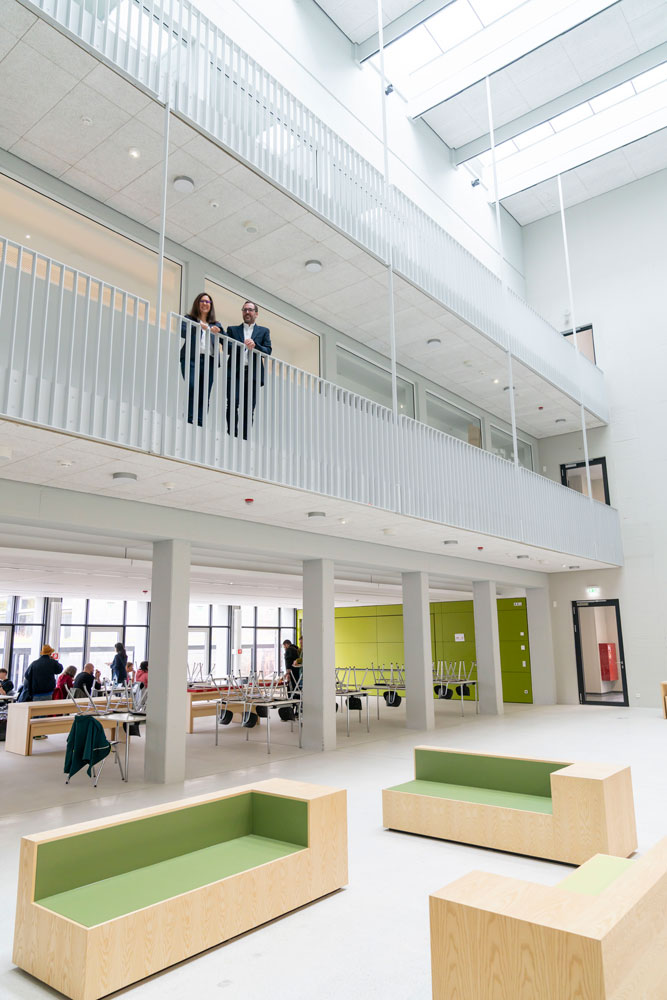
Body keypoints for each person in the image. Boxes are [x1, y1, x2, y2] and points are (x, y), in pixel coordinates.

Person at [225, 300, 272, 438]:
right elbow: (227, 348)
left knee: (249, 407)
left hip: (253, 374)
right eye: (245, 309)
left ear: (256, 314)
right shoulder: (232, 330)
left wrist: (255, 345)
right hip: (235, 372)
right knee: (233, 403)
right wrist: (240, 345)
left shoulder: (264, 331)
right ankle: (232, 433)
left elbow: (268, 351)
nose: (247, 312)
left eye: (250, 310)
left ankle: (245, 436)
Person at [180, 292, 223, 426]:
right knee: (193, 386)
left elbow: (225, 339)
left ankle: (200, 421)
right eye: (202, 301)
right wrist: (199, 326)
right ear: (197, 303)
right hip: (191, 359)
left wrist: (218, 332)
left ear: (211, 306)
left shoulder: (216, 323)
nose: (205, 304)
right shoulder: (189, 318)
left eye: (208, 302)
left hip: (209, 361)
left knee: (205, 392)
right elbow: (183, 332)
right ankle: (189, 418)